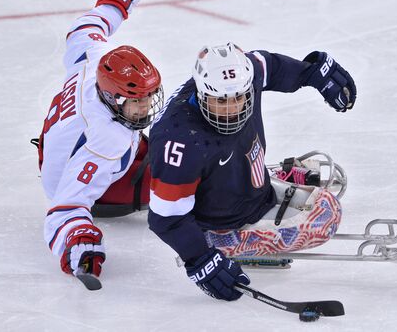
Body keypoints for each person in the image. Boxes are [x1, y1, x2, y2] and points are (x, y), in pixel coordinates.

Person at [147, 43, 356, 301]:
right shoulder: (177, 141)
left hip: (246, 185)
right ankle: (222, 240)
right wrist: (200, 258)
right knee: (327, 215)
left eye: (238, 97)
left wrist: (311, 72)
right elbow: (165, 217)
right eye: (220, 100)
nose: (231, 108)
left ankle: (257, 177)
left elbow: (269, 65)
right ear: (202, 94)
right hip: (219, 219)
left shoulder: (240, 76)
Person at [35, 0, 163, 280]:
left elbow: (88, 26)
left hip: (61, 143)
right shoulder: (105, 142)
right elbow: (66, 205)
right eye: (137, 101)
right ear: (113, 99)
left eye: (148, 96)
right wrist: (78, 240)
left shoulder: (95, 58)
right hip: (81, 174)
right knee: (177, 179)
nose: (146, 106)